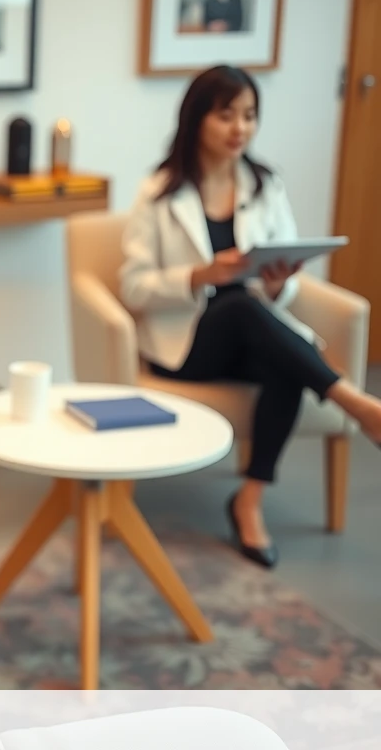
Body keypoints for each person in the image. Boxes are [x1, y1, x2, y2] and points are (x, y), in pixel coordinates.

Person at [119, 65, 381, 569]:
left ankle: (250, 501)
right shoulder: (157, 194)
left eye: (250, 116)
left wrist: (281, 285)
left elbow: (285, 282)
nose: (240, 128)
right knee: (239, 304)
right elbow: (133, 288)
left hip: (254, 335)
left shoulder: (265, 186)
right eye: (226, 115)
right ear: (197, 120)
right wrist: (199, 275)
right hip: (187, 346)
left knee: (273, 344)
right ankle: (352, 399)